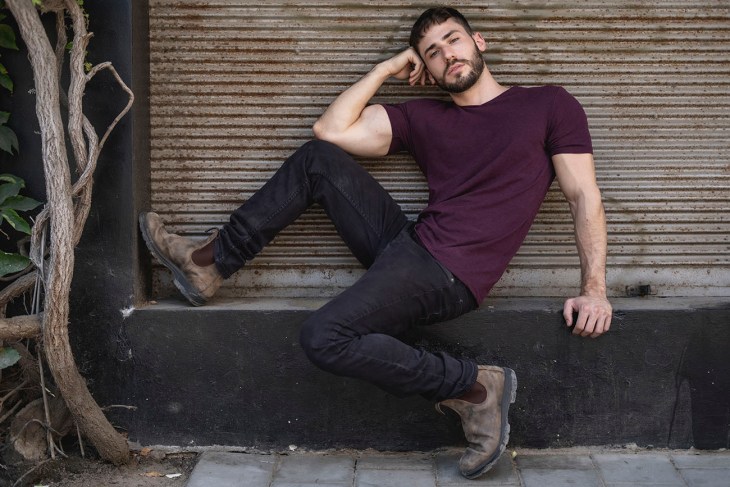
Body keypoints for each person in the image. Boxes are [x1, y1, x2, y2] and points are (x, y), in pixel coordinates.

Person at [139, 7, 613, 479]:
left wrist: (594, 289)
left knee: (323, 337)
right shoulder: (425, 117)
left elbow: (583, 195)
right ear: (425, 69)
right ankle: (209, 262)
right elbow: (330, 131)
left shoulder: (548, 105)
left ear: (479, 41)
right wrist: (387, 68)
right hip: (411, 246)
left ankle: (474, 389)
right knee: (317, 159)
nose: (448, 54)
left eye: (454, 39)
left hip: (448, 273)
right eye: (432, 52)